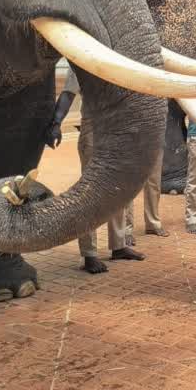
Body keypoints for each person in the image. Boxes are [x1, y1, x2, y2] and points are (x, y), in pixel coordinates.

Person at [47, 68, 147, 270]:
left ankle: (119, 245)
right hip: (94, 131)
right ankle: (89, 253)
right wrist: (56, 122)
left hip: (119, 130)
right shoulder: (81, 60)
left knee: (121, 189)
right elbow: (68, 93)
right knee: (90, 191)